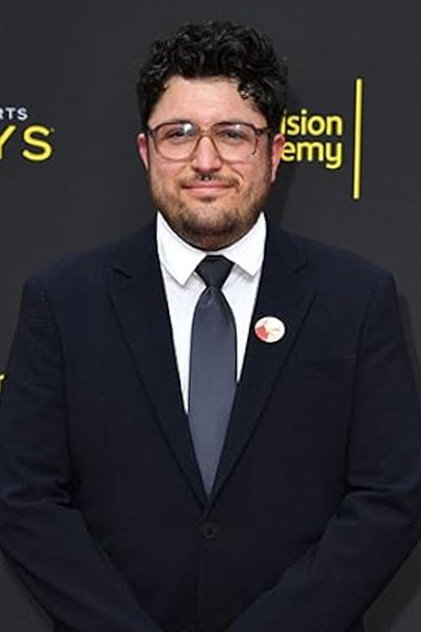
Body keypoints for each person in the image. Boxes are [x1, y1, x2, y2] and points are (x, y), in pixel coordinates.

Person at [0, 20, 420, 632]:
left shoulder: (356, 298)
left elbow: (389, 497)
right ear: (146, 151)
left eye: (232, 133)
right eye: (178, 133)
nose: (205, 160)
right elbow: (25, 497)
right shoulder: (63, 302)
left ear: (274, 154)